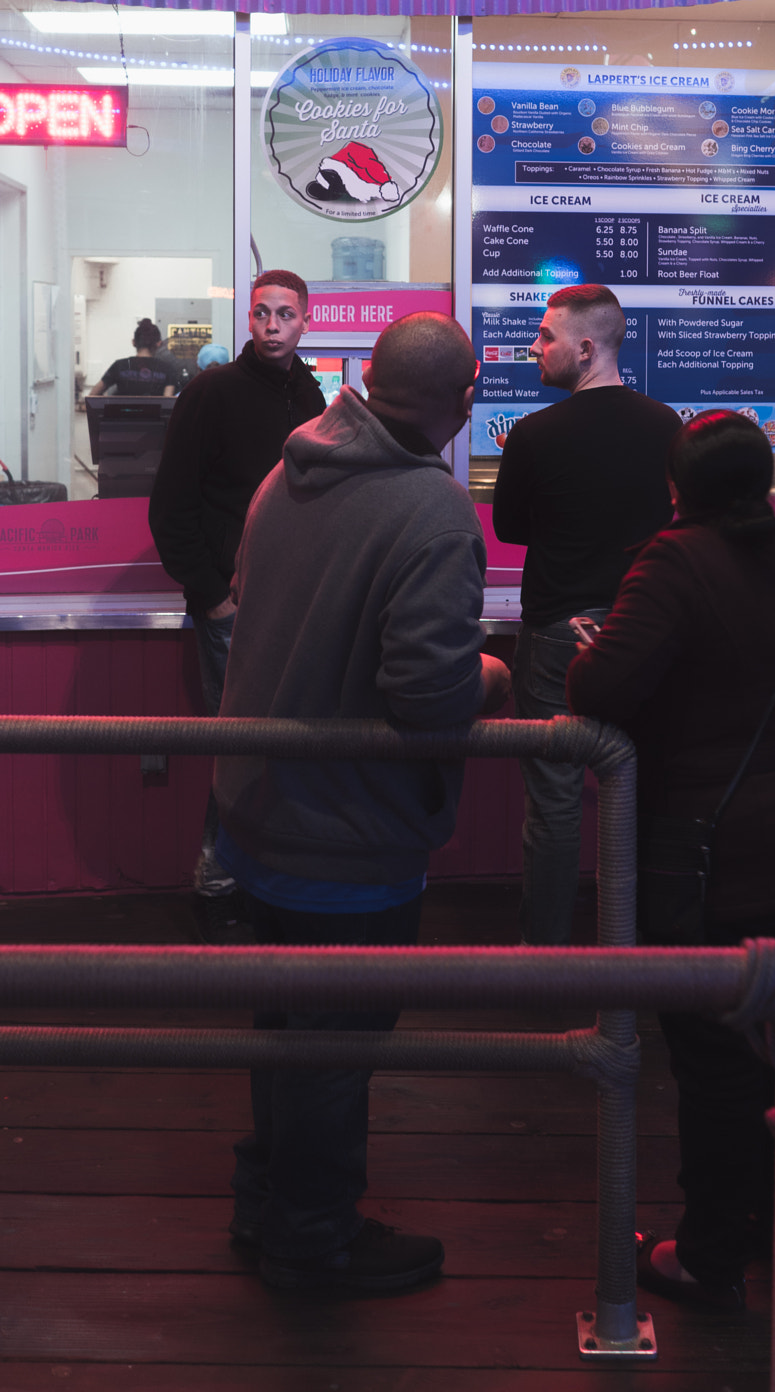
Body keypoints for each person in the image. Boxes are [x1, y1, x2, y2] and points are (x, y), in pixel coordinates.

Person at [213, 312, 512, 1295]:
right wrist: (496, 675)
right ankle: (314, 1234)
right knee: (338, 1042)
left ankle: (267, 1201)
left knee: (283, 1024)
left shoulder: (285, 473)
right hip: (348, 828)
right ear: (465, 399)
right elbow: (428, 699)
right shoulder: (429, 511)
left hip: (257, 802)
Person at [564, 411, 775, 1311]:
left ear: (677, 487)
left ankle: (710, 1255)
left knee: (710, 1052)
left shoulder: (674, 561)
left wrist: (594, 645)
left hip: (715, 848)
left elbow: (603, 688)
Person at [490, 283, 679, 944]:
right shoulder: (667, 427)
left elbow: (510, 528)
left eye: (546, 338)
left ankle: (543, 955)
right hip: (644, 630)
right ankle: (643, 944)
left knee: (554, 802)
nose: (536, 348)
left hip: (555, 636)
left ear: (586, 347)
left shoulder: (536, 435)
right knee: (646, 790)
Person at [148, 272, 327, 894]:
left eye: (284, 315)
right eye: (261, 314)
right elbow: (171, 509)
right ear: (247, 320)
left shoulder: (310, 395)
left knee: (286, 748)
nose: (272, 326)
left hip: (296, 603)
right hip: (234, 604)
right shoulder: (211, 392)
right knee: (240, 746)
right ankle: (219, 878)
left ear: (306, 321)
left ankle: (267, 877)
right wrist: (212, 598)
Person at [88, 317, 177, 397]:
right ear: (159, 344)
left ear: (134, 342)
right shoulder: (167, 369)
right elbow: (167, 402)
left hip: (122, 415)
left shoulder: (119, 366)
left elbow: (93, 395)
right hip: (153, 415)